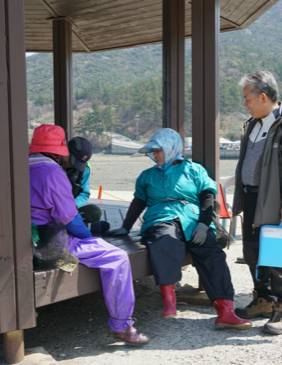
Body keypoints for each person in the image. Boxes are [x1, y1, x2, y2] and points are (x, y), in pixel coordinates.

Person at [107, 128, 252, 331]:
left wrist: (203, 224)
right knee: (164, 240)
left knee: (212, 254)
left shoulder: (194, 170)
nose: (154, 155)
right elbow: (138, 202)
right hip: (161, 218)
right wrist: (125, 227)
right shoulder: (146, 176)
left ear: (171, 149)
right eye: (153, 151)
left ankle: (225, 311)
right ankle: (169, 298)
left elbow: (207, 197)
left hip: (192, 219)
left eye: (158, 151)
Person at [28, 124, 148, 345]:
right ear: (59, 150)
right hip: (48, 240)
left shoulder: (19, 165)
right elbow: (68, 218)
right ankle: (122, 325)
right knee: (118, 258)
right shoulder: (52, 172)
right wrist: (88, 238)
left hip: (24, 236)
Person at [231, 71, 282, 335]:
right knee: (254, 253)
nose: (245, 104)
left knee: (279, 257)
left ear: (263, 97)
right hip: (253, 199)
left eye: (247, 98)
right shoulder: (253, 123)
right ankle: (263, 300)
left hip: (276, 203)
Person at [60, 136, 109, 233]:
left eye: (77, 163)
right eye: (72, 160)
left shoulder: (85, 168)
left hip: (70, 209)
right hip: (52, 209)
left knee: (94, 212)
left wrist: (73, 206)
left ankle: (67, 226)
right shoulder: (52, 164)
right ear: (66, 147)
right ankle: (83, 226)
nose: (72, 165)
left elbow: (84, 194)